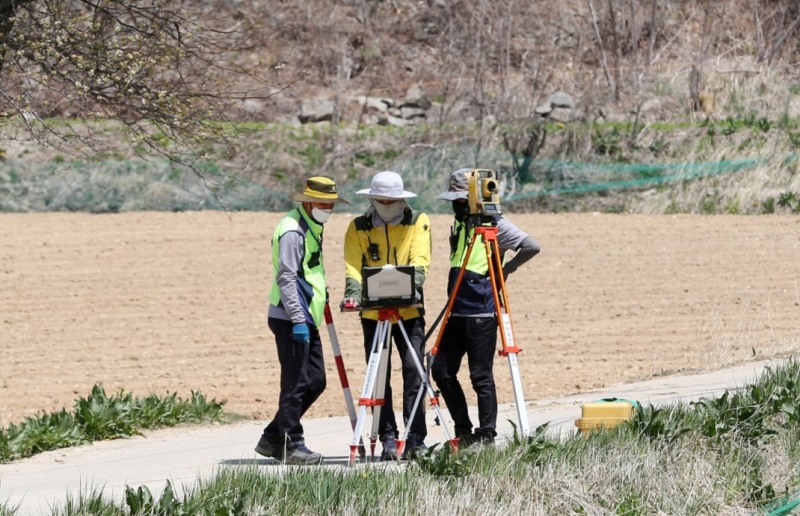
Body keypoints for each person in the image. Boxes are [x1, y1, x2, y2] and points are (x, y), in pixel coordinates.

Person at [431, 168, 541, 448]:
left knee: (480, 375)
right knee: (441, 370)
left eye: (460, 200)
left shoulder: (496, 223)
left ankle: (486, 434)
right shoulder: (458, 224)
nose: (455, 205)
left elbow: (531, 246)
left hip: (480, 312)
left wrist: (505, 271)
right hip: (455, 309)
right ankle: (464, 430)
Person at [255, 176, 349, 465]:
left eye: (331, 204)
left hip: (307, 315)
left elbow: (308, 270)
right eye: (324, 203)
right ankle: (292, 444)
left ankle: (272, 437)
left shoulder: (311, 225)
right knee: (295, 383)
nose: (328, 209)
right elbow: (286, 277)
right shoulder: (293, 231)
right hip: (291, 318)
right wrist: (297, 319)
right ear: (308, 202)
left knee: (315, 381)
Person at [341, 171, 432, 460]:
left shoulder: (419, 222)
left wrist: (412, 286)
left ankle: (416, 438)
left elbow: (421, 260)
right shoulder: (358, 227)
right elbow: (353, 266)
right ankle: (388, 438)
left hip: (409, 310)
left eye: (391, 200)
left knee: (413, 371)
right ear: (372, 198)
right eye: (381, 199)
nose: (386, 203)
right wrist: (353, 294)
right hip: (372, 313)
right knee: (379, 377)